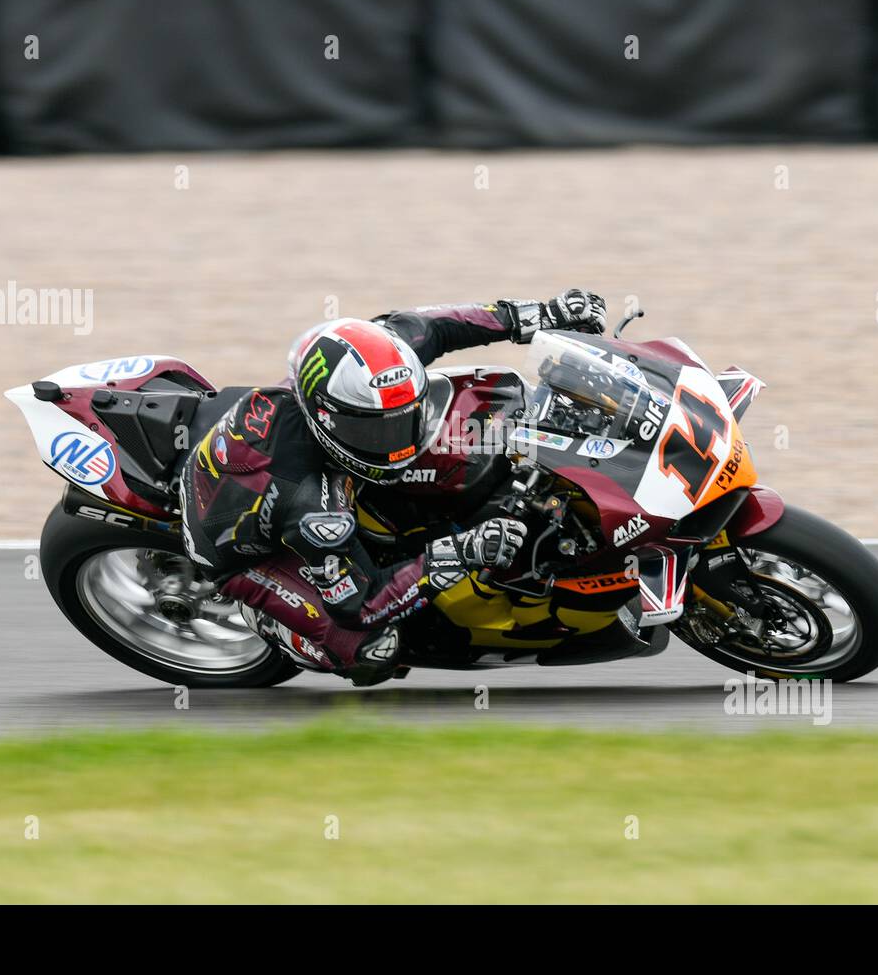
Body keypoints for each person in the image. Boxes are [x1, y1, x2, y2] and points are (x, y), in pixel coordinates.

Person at [179, 289, 607, 685]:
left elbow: (437, 324)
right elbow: (360, 605)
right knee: (374, 650)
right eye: (379, 432)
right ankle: (272, 625)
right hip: (241, 551)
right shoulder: (313, 509)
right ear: (328, 421)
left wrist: (537, 315)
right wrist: (460, 552)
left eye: (405, 418)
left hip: (273, 459)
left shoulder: (375, 362)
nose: (399, 440)